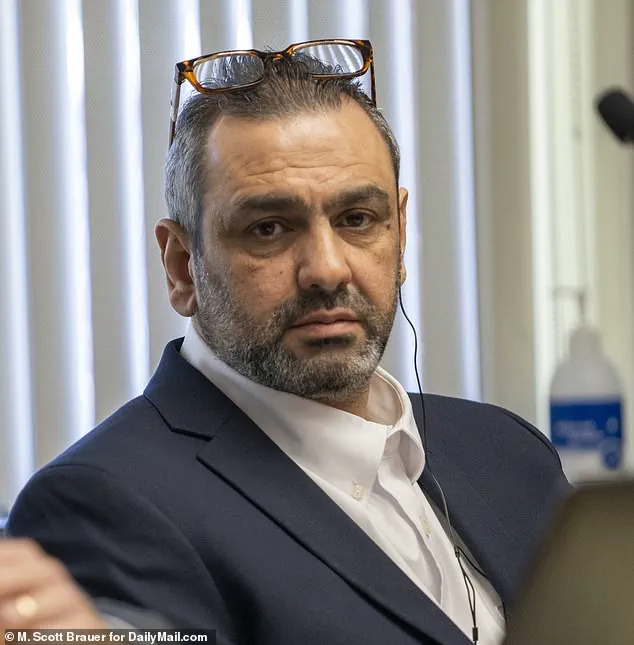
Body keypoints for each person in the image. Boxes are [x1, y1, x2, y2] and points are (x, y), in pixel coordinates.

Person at [7, 40, 568, 645]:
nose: (326, 269)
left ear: (400, 233)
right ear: (181, 266)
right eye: (268, 228)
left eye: (357, 219)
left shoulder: (508, 450)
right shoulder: (103, 503)